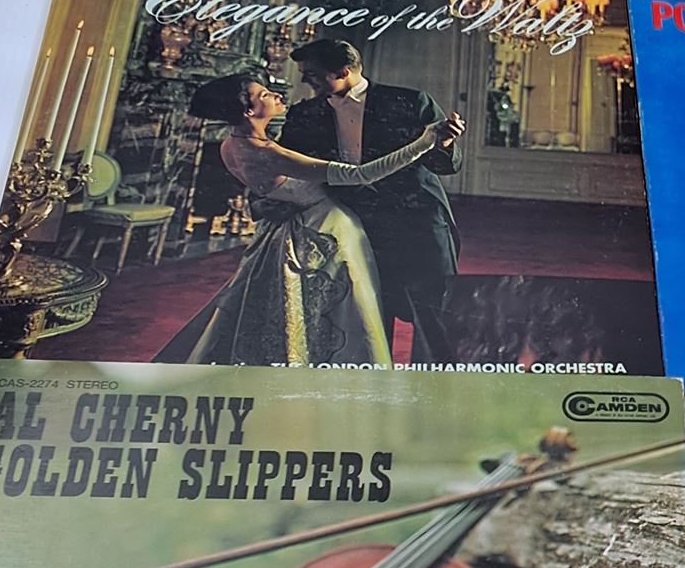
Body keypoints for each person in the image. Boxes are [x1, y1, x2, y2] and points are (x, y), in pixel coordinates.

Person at [157, 74, 460, 367]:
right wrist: (426, 141)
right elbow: (360, 174)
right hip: (325, 234)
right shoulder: (268, 152)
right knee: (339, 317)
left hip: (291, 229)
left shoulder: (230, 145)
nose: (276, 94)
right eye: (264, 94)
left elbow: (264, 186)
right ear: (248, 111)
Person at [282, 37, 463, 364]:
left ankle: (438, 386)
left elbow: (446, 166)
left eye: (312, 74)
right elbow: (287, 167)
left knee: (435, 316)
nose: (305, 81)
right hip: (356, 228)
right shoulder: (304, 114)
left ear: (343, 71)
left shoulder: (409, 101)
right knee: (368, 319)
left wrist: (445, 144)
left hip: (418, 223)